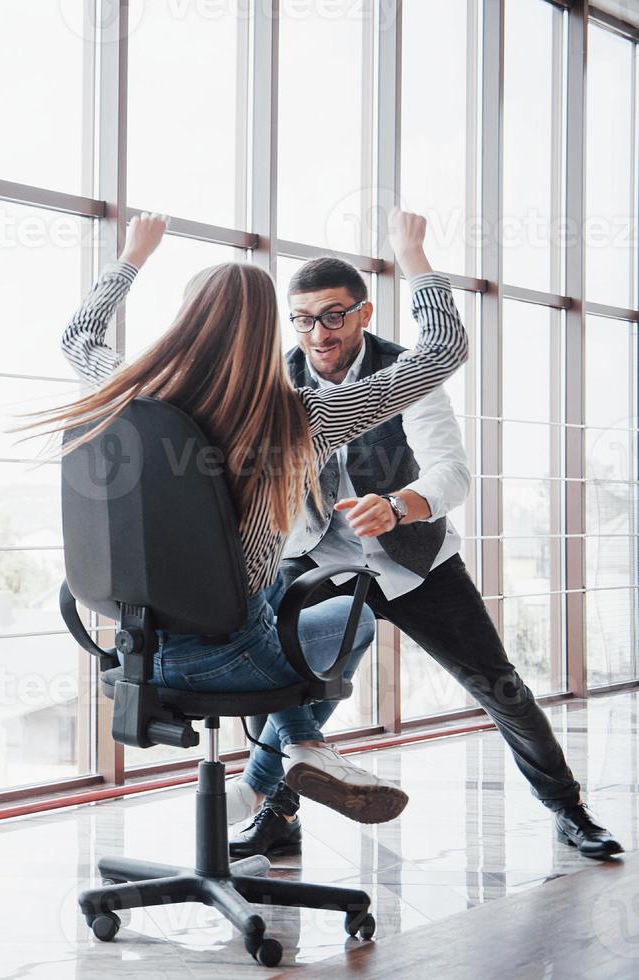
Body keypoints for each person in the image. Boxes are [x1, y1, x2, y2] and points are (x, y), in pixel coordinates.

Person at [42, 208, 468, 824]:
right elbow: (443, 350)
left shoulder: (128, 387)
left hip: (130, 640)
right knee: (355, 619)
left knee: (266, 583)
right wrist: (414, 257)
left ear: (184, 321)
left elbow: (78, 336)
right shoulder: (300, 417)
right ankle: (298, 749)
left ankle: (279, 768)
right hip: (229, 652)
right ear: (273, 328)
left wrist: (133, 256)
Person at [225, 257, 624, 860]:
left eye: (334, 316)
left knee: (498, 686)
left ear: (364, 313)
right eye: (304, 320)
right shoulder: (278, 384)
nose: (319, 333)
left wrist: (399, 505)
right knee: (288, 683)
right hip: (312, 558)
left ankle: (569, 810)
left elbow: (452, 471)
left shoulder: (403, 372)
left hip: (412, 559)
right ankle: (279, 814)